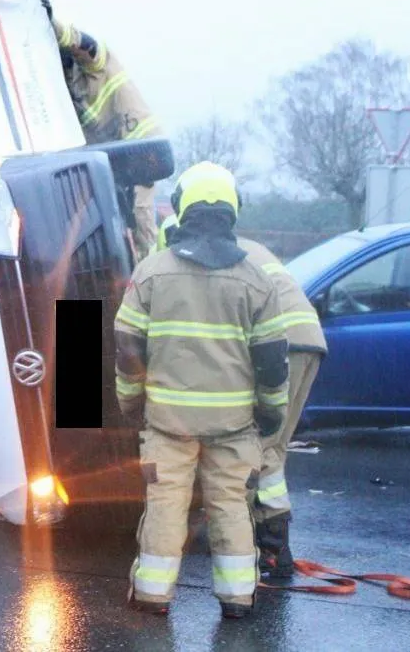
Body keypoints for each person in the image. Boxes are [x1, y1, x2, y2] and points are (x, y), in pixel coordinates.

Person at [114, 161, 289, 618]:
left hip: (167, 425)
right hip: (233, 427)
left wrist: (130, 402)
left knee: (166, 507)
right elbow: (272, 360)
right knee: (231, 506)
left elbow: (128, 348)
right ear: (233, 209)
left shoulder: (150, 273)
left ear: (182, 207)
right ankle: (237, 599)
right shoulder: (256, 280)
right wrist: (272, 412)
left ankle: (152, 595)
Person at [230, 236, 327, 580]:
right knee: (274, 447)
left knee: (255, 445)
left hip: (280, 340)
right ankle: (276, 546)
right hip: (311, 339)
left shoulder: (220, 255)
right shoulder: (248, 245)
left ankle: (258, 544)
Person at [46, 1, 162, 261]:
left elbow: (83, 44)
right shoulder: (62, 92)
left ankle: (147, 279)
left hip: (139, 148)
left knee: (140, 218)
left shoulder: (96, 65)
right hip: (108, 163)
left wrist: (52, 25)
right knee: (89, 231)